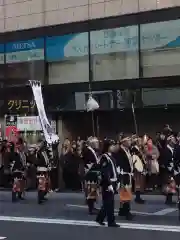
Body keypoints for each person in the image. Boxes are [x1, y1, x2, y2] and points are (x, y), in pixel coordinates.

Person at [96, 139, 119, 227]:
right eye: (112, 145)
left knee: (109, 203)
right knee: (108, 203)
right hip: (107, 183)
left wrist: (117, 181)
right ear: (108, 147)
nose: (113, 147)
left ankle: (101, 218)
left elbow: (114, 170)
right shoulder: (104, 157)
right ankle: (110, 221)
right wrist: (109, 184)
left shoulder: (111, 156)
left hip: (113, 181)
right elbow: (105, 172)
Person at [114, 134, 134, 220]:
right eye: (128, 140)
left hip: (128, 174)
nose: (130, 142)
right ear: (124, 142)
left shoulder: (127, 150)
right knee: (126, 193)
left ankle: (122, 210)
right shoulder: (120, 151)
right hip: (124, 174)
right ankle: (127, 211)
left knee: (126, 192)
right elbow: (119, 164)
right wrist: (120, 175)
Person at [83, 136, 100, 215]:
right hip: (90, 173)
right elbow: (89, 163)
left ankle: (92, 206)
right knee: (91, 191)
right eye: (96, 142)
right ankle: (91, 208)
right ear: (91, 143)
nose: (97, 144)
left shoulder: (93, 151)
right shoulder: (87, 151)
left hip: (94, 173)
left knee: (93, 190)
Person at [161, 133, 176, 205]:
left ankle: (169, 199)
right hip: (167, 169)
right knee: (168, 184)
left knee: (171, 185)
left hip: (172, 169)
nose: (174, 140)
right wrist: (169, 167)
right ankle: (168, 200)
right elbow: (164, 161)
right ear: (169, 141)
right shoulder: (166, 150)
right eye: (173, 139)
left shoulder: (172, 149)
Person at [131, 136, 146, 203]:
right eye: (139, 141)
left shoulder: (140, 149)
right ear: (136, 142)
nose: (141, 142)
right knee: (137, 183)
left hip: (141, 167)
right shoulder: (134, 149)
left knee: (140, 183)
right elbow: (134, 158)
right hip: (137, 168)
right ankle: (137, 197)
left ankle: (139, 196)